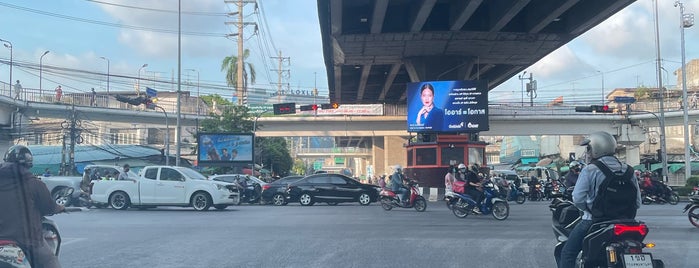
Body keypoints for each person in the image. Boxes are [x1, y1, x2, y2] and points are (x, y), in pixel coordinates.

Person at [558, 132, 641, 268]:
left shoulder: (590, 170)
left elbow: (578, 198)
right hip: (627, 221)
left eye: (588, 149)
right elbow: (638, 202)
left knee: (568, 252)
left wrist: (590, 211)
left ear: (595, 148)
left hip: (594, 221)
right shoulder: (629, 170)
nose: (587, 153)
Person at [0, 145, 65, 268]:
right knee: (50, 260)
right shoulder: (34, 183)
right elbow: (49, 207)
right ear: (28, 165)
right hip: (26, 240)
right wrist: (60, 208)